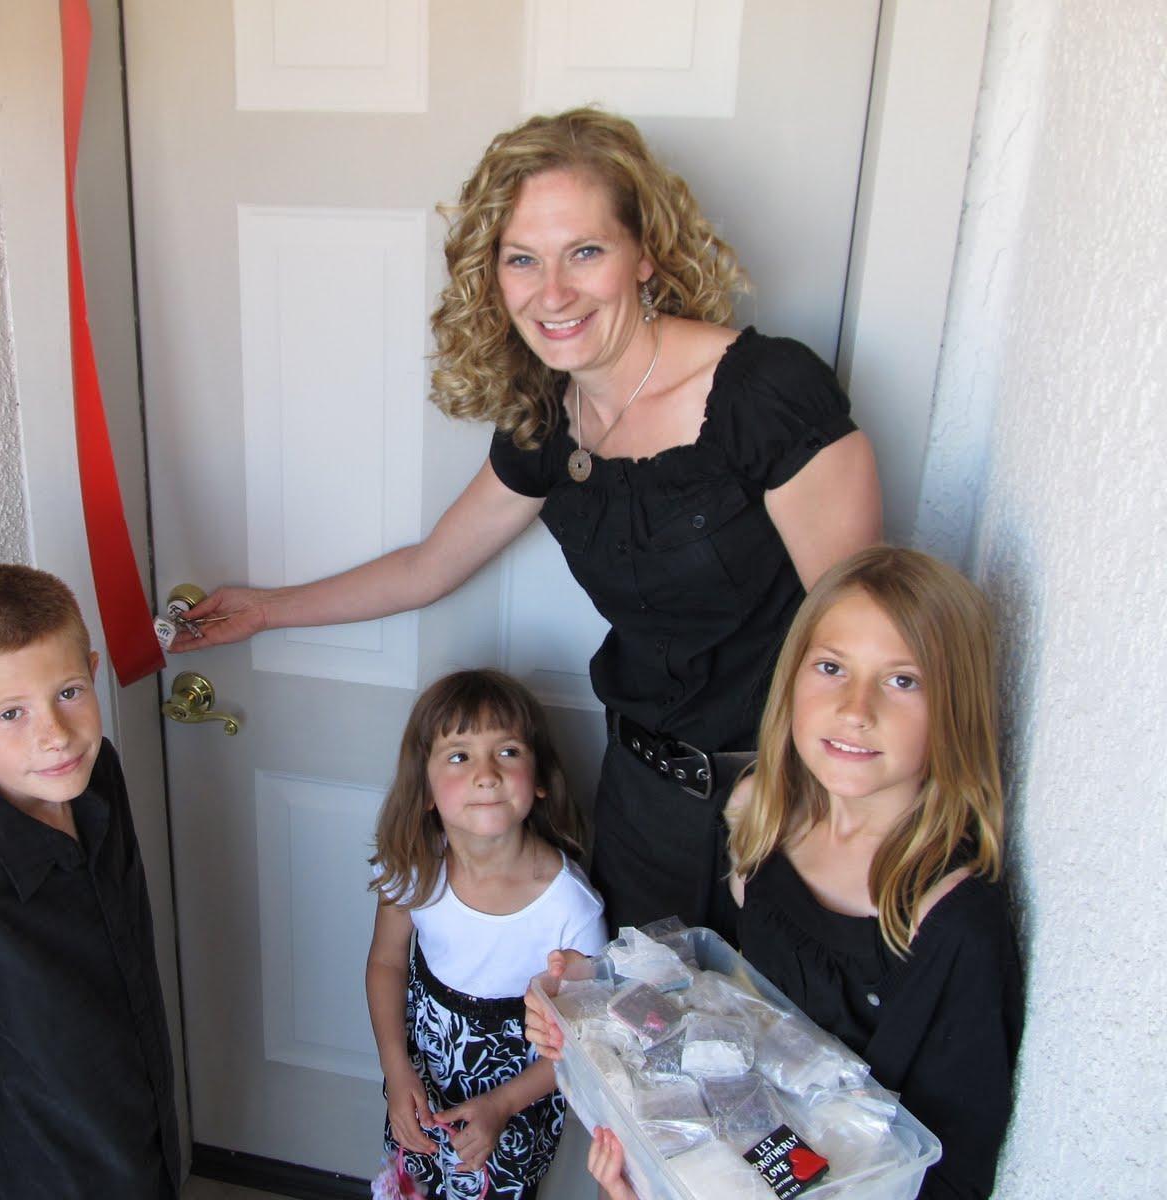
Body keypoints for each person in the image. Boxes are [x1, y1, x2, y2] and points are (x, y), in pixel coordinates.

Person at [174, 108, 882, 933]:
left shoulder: (767, 393)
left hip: (787, 807)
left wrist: (810, 795)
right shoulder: (548, 416)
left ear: (644, 253)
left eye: (585, 251)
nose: (553, 294)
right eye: (522, 260)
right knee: (628, 1050)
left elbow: (866, 638)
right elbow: (430, 565)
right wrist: (262, 609)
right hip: (644, 804)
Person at [529, 547, 1024, 1200]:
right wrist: (603, 996)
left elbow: (944, 1179)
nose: (856, 707)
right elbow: (725, 1007)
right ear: (792, 677)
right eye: (831, 667)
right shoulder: (764, 815)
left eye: (903, 680)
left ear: (956, 710)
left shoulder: (956, 926)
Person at [0, 564, 180, 1199]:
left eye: (68, 692)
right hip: (56, 1179)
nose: (54, 735)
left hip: (141, 1129)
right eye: (11, 713)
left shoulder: (97, 777)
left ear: (93, 669)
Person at [367, 670, 607, 1199]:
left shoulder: (571, 906)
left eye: (508, 752)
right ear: (425, 788)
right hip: (420, 1083)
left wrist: (503, 1105)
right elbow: (386, 963)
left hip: (514, 1107)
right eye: (459, 756)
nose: (486, 775)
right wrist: (396, 1069)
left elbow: (587, 1037)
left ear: (539, 777)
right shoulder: (415, 869)